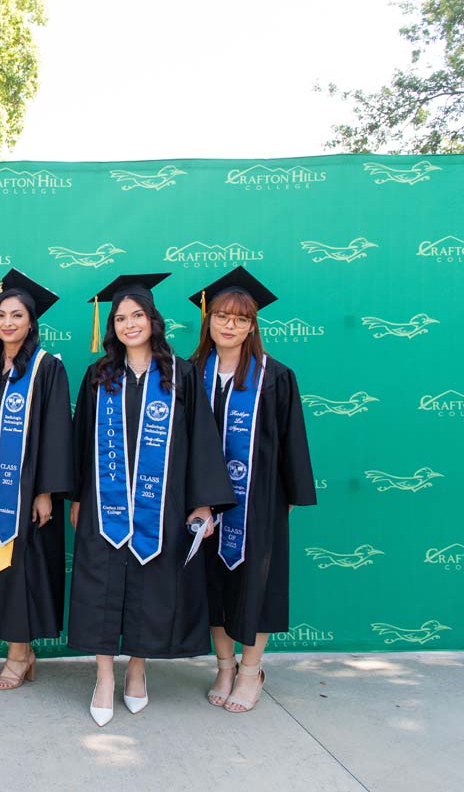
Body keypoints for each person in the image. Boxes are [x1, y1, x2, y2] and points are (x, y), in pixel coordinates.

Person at [68, 273, 235, 726]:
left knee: (151, 586)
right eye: (120, 318)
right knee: (100, 587)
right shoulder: (98, 375)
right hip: (104, 508)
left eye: (137, 315)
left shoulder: (180, 374)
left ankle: (137, 669)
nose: (128, 324)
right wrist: (78, 496)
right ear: (112, 327)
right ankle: (104, 676)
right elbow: (81, 441)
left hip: (161, 506)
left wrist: (203, 502)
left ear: (152, 321)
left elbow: (202, 440)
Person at [188, 267, 317, 713]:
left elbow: (291, 441)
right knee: (213, 587)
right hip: (201, 505)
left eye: (241, 319)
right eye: (222, 315)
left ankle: (250, 671)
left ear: (252, 325)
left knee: (255, 586)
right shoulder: (190, 374)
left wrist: (290, 497)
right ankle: (224, 666)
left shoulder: (275, 376)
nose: (230, 325)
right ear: (208, 319)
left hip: (258, 502)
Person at [0, 270, 74, 690]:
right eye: (1, 315)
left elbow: (55, 431)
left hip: (26, 490)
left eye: (17, 315)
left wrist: (46, 491)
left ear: (32, 321)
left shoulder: (47, 367)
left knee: (20, 570)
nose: (8, 322)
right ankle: (20, 652)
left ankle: (18, 654)